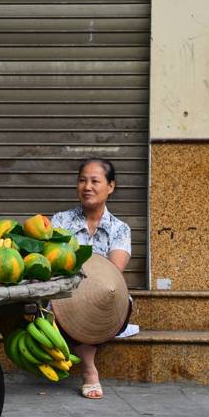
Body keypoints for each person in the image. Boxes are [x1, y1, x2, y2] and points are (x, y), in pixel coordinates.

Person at [50, 158, 132, 399]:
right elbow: (53, 264)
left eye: (95, 181)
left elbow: (112, 274)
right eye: (82, 180)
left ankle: (87, 368)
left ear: (111, 186)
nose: (87, 186)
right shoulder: (60, 222)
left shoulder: (120, 229)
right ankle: (89, 369)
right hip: (65, 295)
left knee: (104, 294)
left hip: (103, 298)